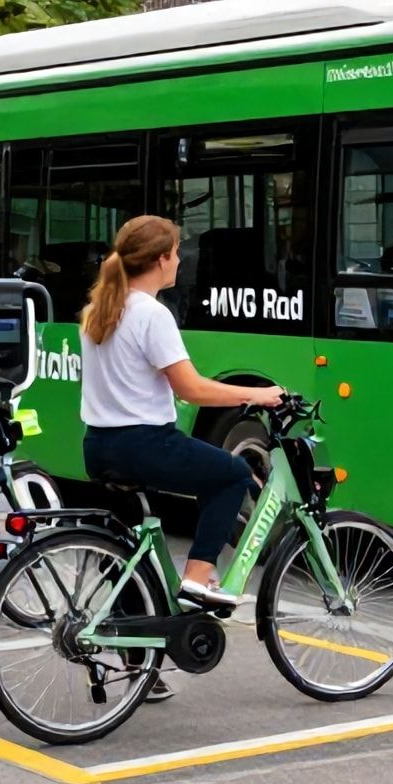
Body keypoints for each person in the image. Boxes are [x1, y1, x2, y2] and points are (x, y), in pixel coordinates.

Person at [79, 215, 286, 608]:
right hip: (145, 444)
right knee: (231, 475)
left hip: (99, 445)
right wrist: (257, 396)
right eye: (175, 254)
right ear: (160, 259)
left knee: (126, 555)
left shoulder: (100, 311)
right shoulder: (152, 314)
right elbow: (190, 389)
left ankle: (134, 656)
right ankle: (197, 576)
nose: (179, 261)